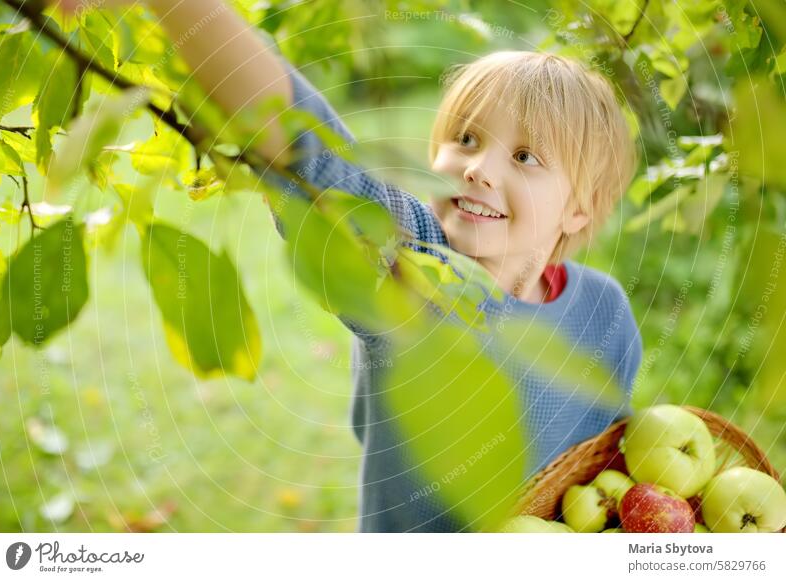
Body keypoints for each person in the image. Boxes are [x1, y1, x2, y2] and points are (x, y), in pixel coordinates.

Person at [56, 0, 644, 532]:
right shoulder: (413, 276)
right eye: (465, 139)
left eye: (524, 156)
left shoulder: (606, 312)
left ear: (579, 208)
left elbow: (612, 467)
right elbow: (305, 148)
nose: (479, 169)